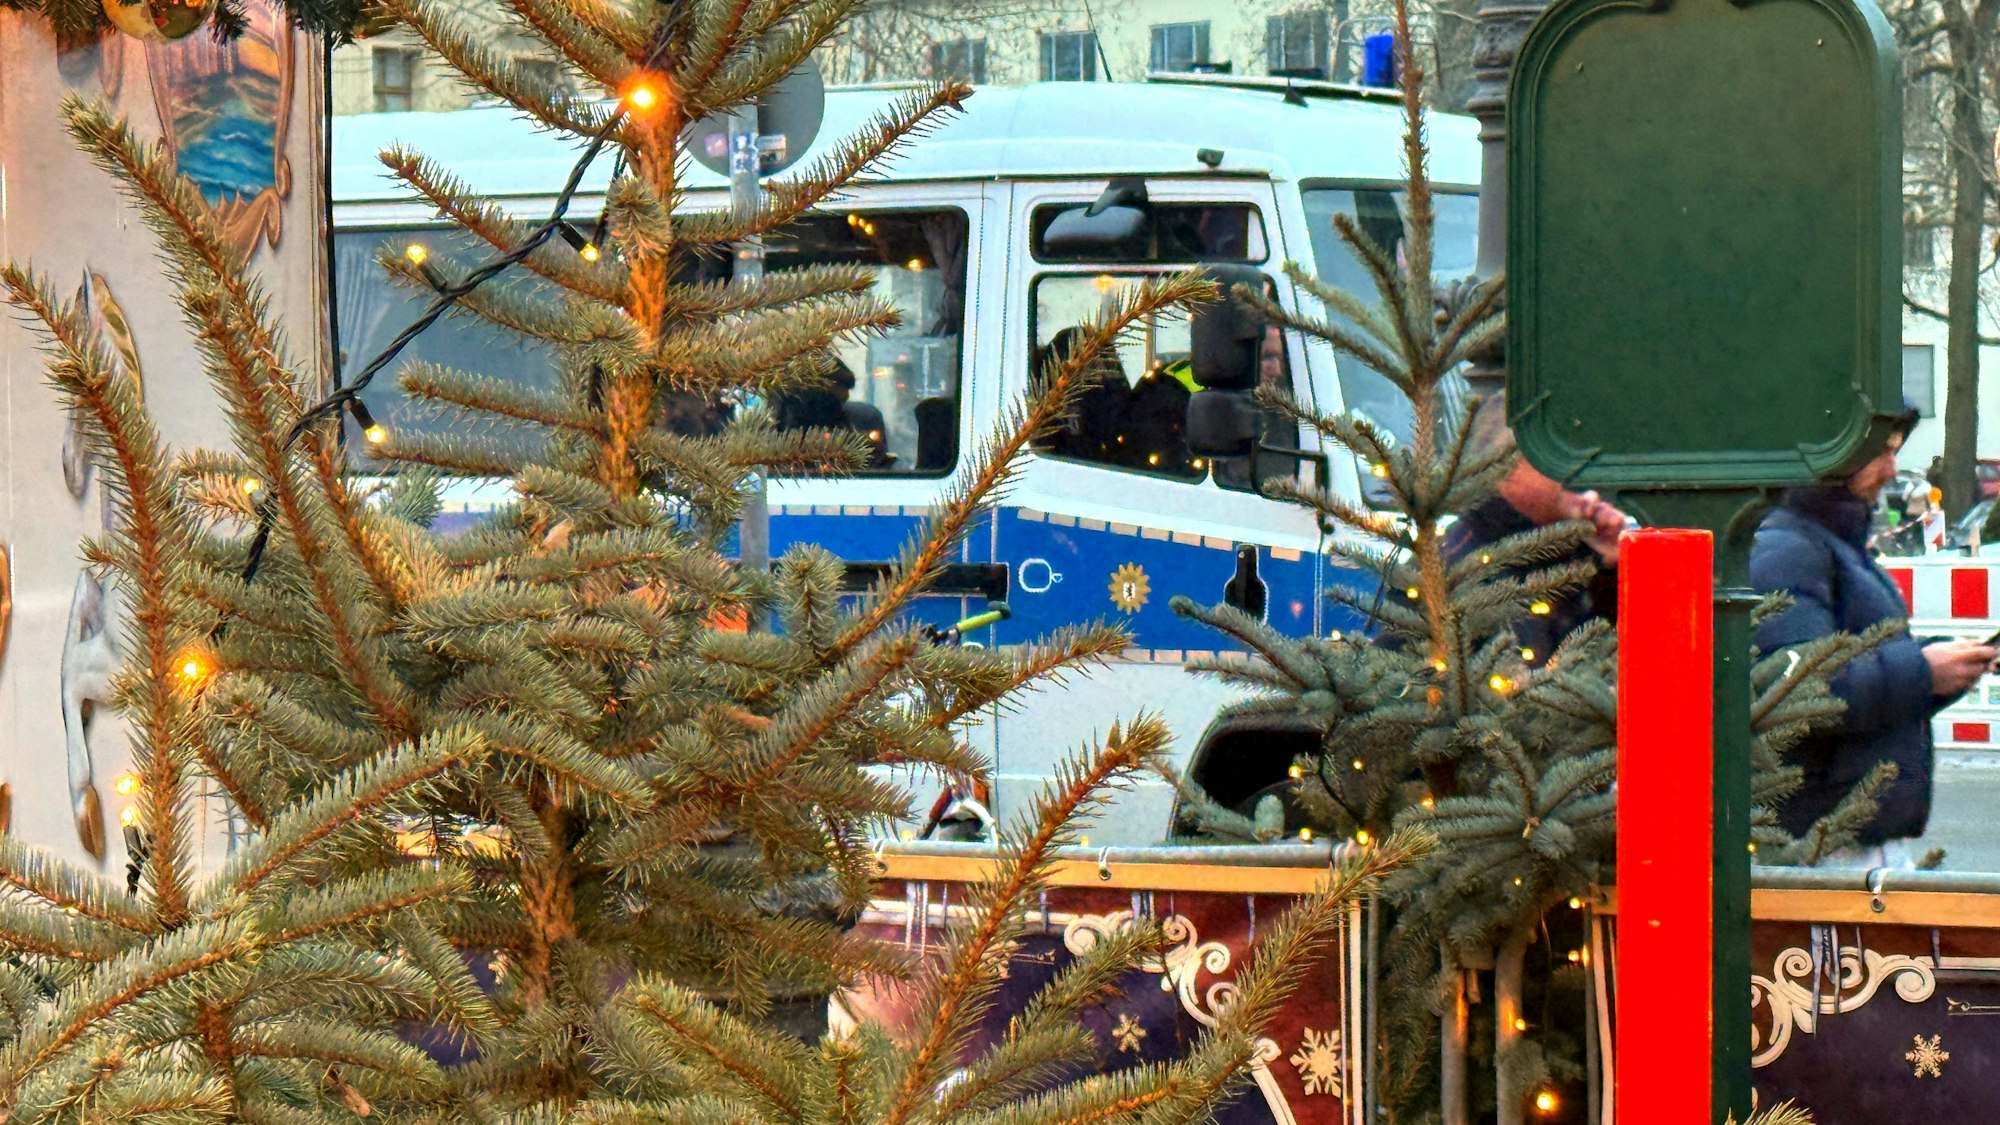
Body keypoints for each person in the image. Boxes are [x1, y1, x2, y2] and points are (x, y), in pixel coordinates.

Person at [1751, 412, 1996, 866]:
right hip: (1822, 840)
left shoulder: (1828, 544)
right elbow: (1796, 689)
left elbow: (1856, 664)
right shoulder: (1789, 548)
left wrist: (1941, 665)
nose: (1891, 471)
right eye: (1881, 453)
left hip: (1845, 835)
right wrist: (1923, 672)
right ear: (1834, 455)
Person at [1435, 394, 1630, 666]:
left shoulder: (1565, 551)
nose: (1583, 477)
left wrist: (1611, 569)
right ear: (1507, 462)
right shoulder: (1460, 569)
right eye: (1561, 455)